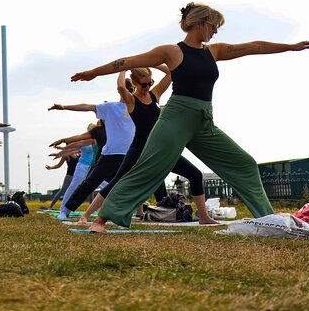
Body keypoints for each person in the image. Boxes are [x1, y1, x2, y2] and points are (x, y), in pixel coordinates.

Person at [70, 2, 309, 231]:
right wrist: (94, 72)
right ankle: (101, 219)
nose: (215, 32)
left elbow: (253, 47)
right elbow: (126, 62)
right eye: (213, 26)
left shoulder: (214, 51)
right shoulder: (173, 52)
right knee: (148, 170)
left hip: (203, 122)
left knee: (245, 163)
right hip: (175, 120)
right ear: (199, 23)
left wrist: (290, 47)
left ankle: (267, 219)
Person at [75, 68, 216, 225]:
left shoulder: (154, 95)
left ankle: (203, 217)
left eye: (150, 83)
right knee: (117, 182)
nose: (148, 87)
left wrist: (151, 63)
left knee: (195, 174)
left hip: (161, 148)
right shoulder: (131, 100)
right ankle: (85, 216)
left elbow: (171, 73)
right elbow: (121, 87)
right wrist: (122, 68)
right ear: (134, 83)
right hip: (140, 149)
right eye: (144, 84)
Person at [48, 94, 135, 220]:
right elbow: (80, 137)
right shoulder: (99, 129)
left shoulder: (131, 111)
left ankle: (128, 212)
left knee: (125, 185)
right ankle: (65, 210)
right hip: (108, 158)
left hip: (127, 155)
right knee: (88, 185)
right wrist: (64, 139)